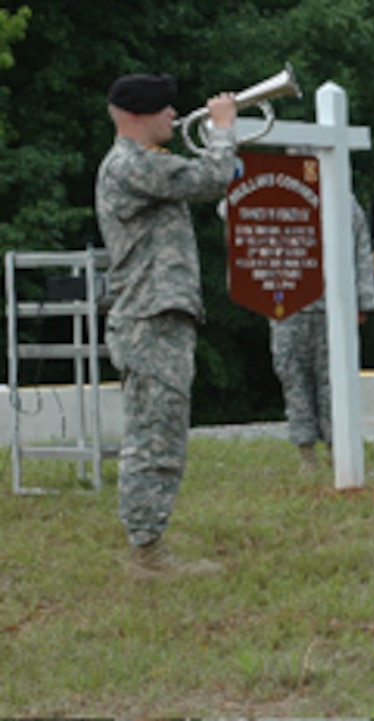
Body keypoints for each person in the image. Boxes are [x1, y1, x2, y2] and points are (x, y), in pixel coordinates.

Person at [96, 73, 237, 579]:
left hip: (157, 317)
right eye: (165, 109)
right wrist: (222, 129)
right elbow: (212, 178)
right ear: (138, 116)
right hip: (149, 321)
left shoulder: (142, 164)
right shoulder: (132, 165)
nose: (175, 117)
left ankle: (149, 545)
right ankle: (147, 554)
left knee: (162, 432)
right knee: (154, 437)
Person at [269, 181, 374, 469]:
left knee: (334, 382)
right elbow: (234, 214)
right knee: (293, 377)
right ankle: (306, 455)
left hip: (334, 305)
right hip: (287, 304)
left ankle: (336, 450)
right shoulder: (276, 195)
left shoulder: (343, 199)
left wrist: (363, 301)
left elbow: (361, 250)